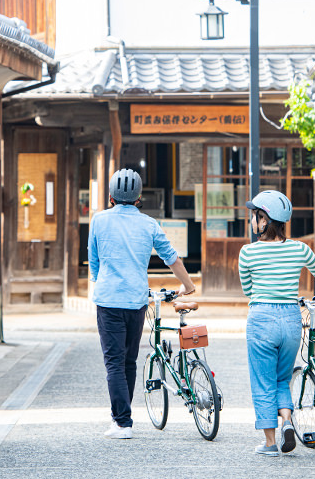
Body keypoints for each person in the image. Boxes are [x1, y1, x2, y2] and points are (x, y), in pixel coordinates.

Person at [238, 190, 315, 456]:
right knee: (282, 379)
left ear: (265, 220)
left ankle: (269, 443)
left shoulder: (247, 253)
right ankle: (287, 420)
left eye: (256, 216)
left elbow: (248, 290)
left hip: (261, 318)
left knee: (263, 381)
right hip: (290, 319)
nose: (253, 220)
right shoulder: (300, 248)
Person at [88, 168, 196, 439]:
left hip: (108, 300)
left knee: (113, 362)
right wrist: (188, 286)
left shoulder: (98, 221)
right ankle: (123, 418)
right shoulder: (148, 224)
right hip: (137, 301)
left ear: (111, 196)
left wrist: (101, 281)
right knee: (129, 361)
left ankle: (122, 423)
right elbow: (172, 258)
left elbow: (94, 261)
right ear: (139, 198)